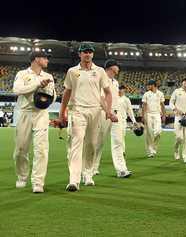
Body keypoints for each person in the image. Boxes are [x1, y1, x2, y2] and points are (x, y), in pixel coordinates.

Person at [59, 43, 117, 192]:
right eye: (85, 52)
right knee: (76, 144)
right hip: (77, 110)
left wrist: (108, 111)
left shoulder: (99, 71)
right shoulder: (72, 71)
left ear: (93, 54)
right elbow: (67, 93)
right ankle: (74, 180)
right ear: (80, 54)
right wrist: (62, 113)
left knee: (91, 144)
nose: (88, 54)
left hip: (95, 111)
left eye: (90, 52)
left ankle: (88, 174)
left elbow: (107, 93)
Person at [12, 51, 55, 193]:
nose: (47, 61)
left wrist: (47, 96)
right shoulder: (22, 74)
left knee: (41, 150)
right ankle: (22, 176)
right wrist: (37, 84)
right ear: (37, 59)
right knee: (20, 150)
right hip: (25, 114)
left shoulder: (48, 76)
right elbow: (17, 90)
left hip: (41, 114)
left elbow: (53, 97)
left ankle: (38, 182)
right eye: (45, 58)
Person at [92, 59, 132, 178]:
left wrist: (114, 112)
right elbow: (100, 98)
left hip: (116, 114)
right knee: (98, 142)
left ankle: (121, 170)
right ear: (110, 67)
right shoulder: (100, 79)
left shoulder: (115, 82)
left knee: (118, 142)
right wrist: (108, 112)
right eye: (117, 66)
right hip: (103, 114)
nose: (118, 69)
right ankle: (93, 168)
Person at [169, 78, 186, 163]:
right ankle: (176, 149)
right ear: (182, 83)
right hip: (179, 117)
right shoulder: (177, 91)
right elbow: (171, 102)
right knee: (179, 137)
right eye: (185, 82)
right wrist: (175, 110)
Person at [141, 80, 165, 158]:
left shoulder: (160, 93)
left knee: (158, 132)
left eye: (149, 85)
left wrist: (164, 115)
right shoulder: (146, 94)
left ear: (153, 85)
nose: (148, 86)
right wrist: (143, 116)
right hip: (148, 114)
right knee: (149, 133)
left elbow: (162, 105)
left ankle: (154, 147)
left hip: (157, 114)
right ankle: (150, 151)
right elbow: (144, 106)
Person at [118, 84, 137, 154]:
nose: (119, 90)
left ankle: (122, 151)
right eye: (119, 89)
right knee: (117, 137)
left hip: (122, 120)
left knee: (122, 135)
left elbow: (130, 111)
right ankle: (119, 151)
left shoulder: (126, 100)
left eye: (121, 89)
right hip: (114, 120)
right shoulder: (114, 98)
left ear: (124, 90)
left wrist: (134, 121)